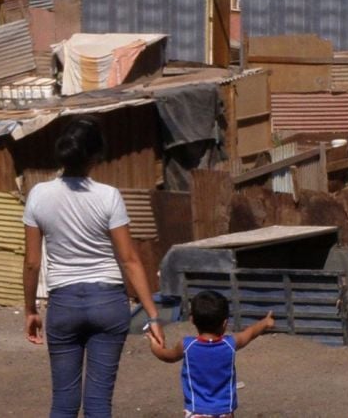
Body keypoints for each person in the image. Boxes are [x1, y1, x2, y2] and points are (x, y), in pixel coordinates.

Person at [23, 116, 165, 418]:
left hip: (63, 304)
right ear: (96, 155)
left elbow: (32, 263)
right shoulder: (108, 197)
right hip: (108, 303)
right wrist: (153, 315)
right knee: (99, 404)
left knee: (63, 402)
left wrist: (30, 309)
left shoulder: (38, 195)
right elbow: (129, 259)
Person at [147, 290, 275, 418]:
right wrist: (265, 322)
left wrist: (154, 346)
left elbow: (167, 356)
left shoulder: (187, 345)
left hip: (196, 411)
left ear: (192, 320)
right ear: (225, 323)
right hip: (224, 411)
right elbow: (251, 332)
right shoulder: (230, 344)